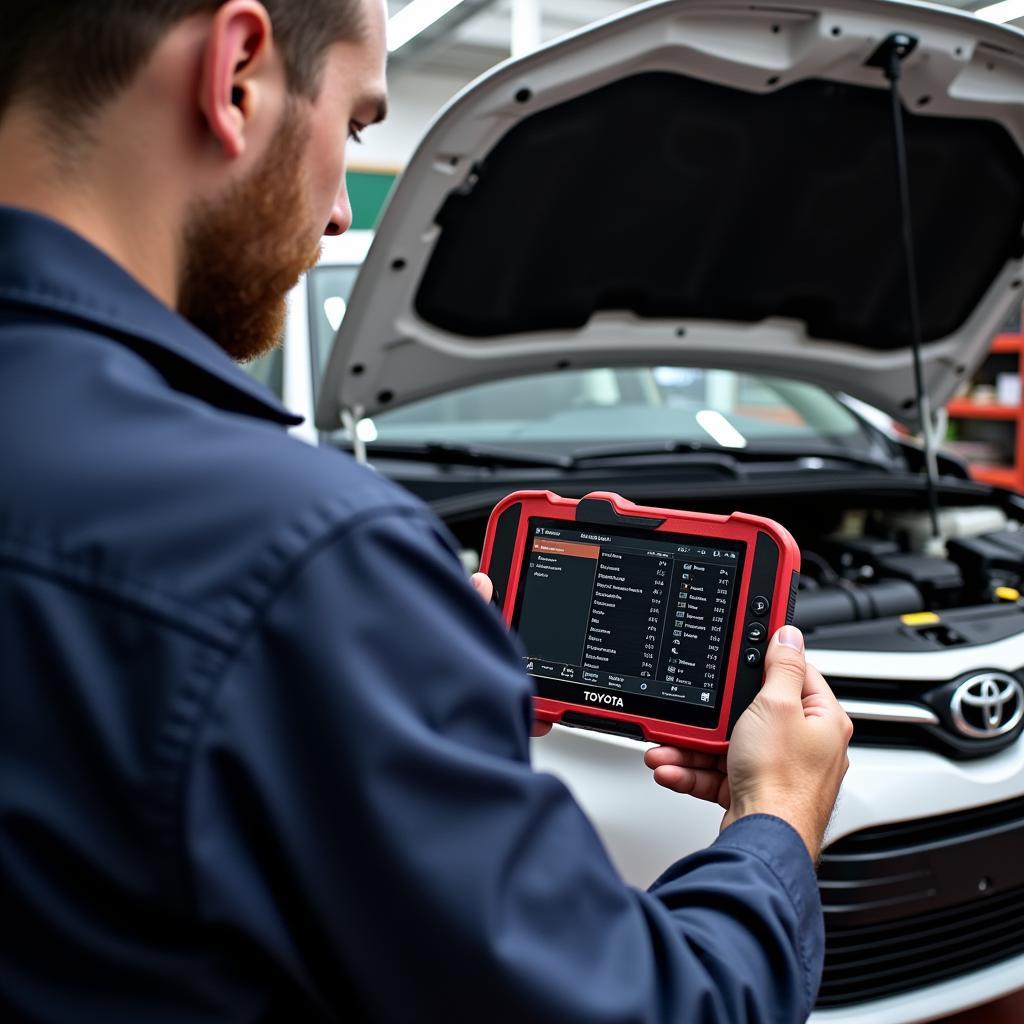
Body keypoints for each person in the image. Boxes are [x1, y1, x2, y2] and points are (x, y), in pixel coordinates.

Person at [0, 1, 853, 1020]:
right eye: (357, 126)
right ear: (234, 75)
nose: (338, 216)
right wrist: (777, 815)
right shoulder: (299, 559)